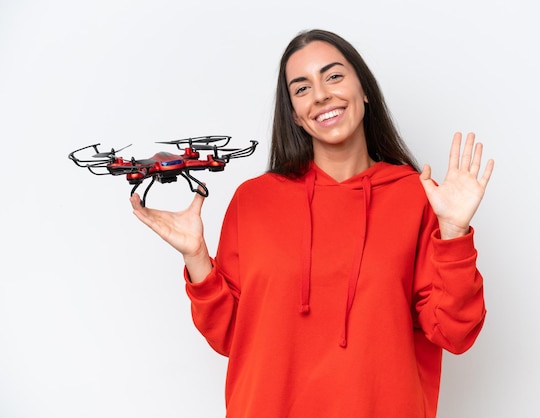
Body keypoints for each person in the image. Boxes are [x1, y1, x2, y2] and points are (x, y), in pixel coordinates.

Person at [131, 29, 494, 418]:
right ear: (294, 115)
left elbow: (454, 332)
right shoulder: (254, 200)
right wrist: (197, 257)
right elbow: (232, 336)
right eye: (301, 88)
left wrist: (454, 232)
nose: (320, 94)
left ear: (365, 89)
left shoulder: (416, 197)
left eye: (334, 76)